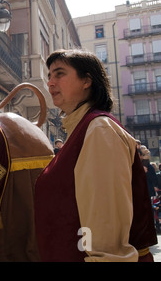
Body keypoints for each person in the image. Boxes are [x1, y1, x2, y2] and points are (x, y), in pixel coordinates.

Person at [35, 49, 157, 262]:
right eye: (49, 76)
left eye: (60, 74)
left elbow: (105, 227)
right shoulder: (84, 129)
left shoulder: (99, 129)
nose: (50, 83)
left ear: (87, 81)